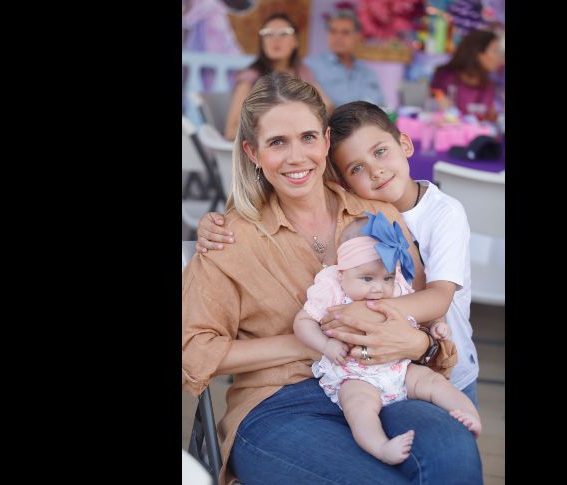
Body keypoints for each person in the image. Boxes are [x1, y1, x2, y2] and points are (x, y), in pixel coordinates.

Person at [182, 72, 482, 484]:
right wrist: (307, 343)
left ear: (325, 141)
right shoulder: (230, 238)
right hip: (281, 401)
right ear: (252, 152)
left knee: (452, 453)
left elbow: (426, 313)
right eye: (276, 142)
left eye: (307, 137)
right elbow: (193, 351)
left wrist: (418, 342)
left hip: (388, 383)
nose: (296, 157)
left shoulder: (375, 214)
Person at [295, 213, 480, 465]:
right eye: (367, 279)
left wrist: (437, 326)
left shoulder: (399, 287)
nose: (378, 288)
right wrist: (325, 344)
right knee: (359, 408)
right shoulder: (331, 289)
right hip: (354, 375)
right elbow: (302, 322)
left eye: (387, 278)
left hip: (398, 367)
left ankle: (468, 414)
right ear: (342, 273)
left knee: (433, 382)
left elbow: (421, 313)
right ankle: (381, 447)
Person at [223, 12, 332, 140]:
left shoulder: (302, 72)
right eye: (268, 34)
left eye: (284, 33)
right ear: (262, 42)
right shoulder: (250, 76)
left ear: (295, 41)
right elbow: (231, 130)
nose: (276, 39)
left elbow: (327, 107)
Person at [305, 9, 386, 107]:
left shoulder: (367, 73)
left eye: (345, 32)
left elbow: (380, 106)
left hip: (365, 120)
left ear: (357, 37)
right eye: (333, 31)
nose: (338, 37)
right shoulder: (309, 67)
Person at [430, 28, 504, 122]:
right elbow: (433, 102)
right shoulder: (446, 77)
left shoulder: (489, 85)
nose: (500, 57)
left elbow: (491, 118)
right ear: (477, 52)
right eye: (495, 51)